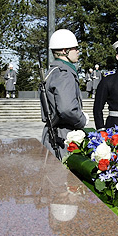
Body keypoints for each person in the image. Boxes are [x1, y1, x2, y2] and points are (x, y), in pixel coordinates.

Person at [41, 29, 89, 159]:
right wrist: (82, 119)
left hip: (55, 133)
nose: (78, 51)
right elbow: (67, 108)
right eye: (75, 48)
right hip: (63, 135)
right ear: (64, 51)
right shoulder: (64, 73)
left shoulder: (54, 70)